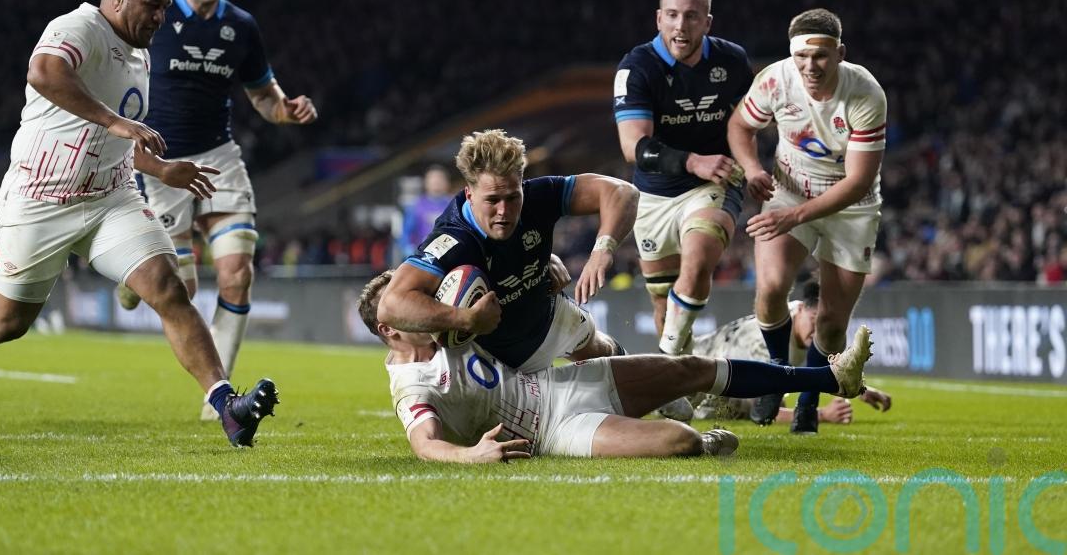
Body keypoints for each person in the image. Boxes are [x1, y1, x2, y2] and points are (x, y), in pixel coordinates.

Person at [0, 0, 278, 448]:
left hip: (109, 199)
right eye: (152, 6)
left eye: (165, 8)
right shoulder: (79, 26)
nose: (161, 17)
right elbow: (44, 73)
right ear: (118, 2)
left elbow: (119, 141)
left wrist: (162, 169)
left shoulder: (140, 56)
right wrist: (116, 122)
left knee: (169, 288)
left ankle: (227, 406)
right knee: (7, 322)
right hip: (41, 200)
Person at [116, 0, 317, 420]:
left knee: (237, 274)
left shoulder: (241, 26)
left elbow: (263, 95)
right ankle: (129, 272)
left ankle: (219, 400)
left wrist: (287, 109)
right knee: (181, 290)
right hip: (161, 161)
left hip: (219, 157)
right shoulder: (156, 16)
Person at [359, 270, 874, 462]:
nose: (418, 305)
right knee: (680, 441)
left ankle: (831, 377)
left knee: (692, 367)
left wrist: (543, 273)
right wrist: (471, 456)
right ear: (388, 327)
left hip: (558, 383)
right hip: (556, 430)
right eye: (404, 307)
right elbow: (424, 443)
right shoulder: (410, 383)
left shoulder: (451, 320)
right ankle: (703, 440)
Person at [727, 8, 888, 434]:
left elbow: (857, 181)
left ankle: (808, 403)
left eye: (820, 56)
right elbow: (740, 126)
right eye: (801, 56)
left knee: (832, 325)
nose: (810, 66)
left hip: (851, 208)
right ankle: (778, 373)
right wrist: (752, 168)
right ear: (791, 53)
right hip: (789, 191)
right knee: (771, 288)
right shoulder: (775, 80)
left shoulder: (865, 93)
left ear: (840, 54)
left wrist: (794, 216)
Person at [377, 129, 638, 373]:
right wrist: (464, 318)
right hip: (495, 360)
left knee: (610, 359)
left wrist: (602, 250)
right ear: (469, 194)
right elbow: (390, 306)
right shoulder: (452, 239)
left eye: (513, 198)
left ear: (522, 186)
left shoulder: (538, 196)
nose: (503, 211)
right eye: (492, 200)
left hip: (548, 315)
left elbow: (623, 192)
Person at [613, 0, 754, 360]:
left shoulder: (732, 61)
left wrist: (752, 167)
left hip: (715, 182)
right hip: (654, 193)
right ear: (658, 18)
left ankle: (664, 361)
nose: (681, 25)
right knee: (663, 302)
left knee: (698, 258)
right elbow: (633, 146)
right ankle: (679, 377)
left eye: (691, 16)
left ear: (707, 22)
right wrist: (693, 160)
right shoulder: (637, 67)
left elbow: (746, 126)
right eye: (672, 15)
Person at [688, 280, 893, 423]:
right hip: (692, 389)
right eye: (814, 321)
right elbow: (763, 409)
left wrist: (860, 389)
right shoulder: (765, 341)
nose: (818, 332)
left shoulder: (795, 319)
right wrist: (822, 415)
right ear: (801, 309)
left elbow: (818, 371)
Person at [396, 164, 454, 261]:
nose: (436, 182)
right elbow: (405, 234)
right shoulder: (415, 206)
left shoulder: (454, 205)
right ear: (426, 183)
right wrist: (409, 250)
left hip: (449, 256)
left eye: (440, 179)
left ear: (447, 183)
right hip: (422, 257)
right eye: (433, 179)